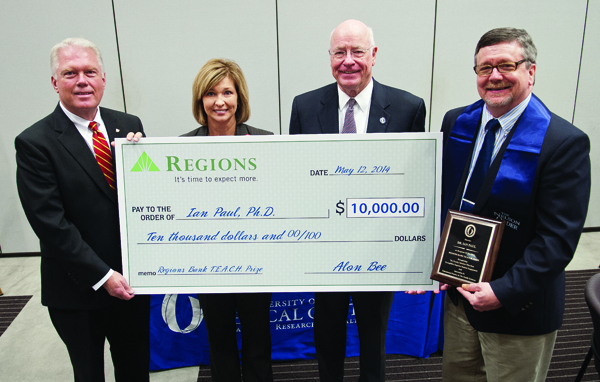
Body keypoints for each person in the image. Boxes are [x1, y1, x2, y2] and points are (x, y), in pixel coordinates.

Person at [439, 27, 591, 382]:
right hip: (461, 301)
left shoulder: (563, 143)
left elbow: (558, 241)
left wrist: (502, 292)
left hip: (517, 307)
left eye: (506, 65)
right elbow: (448, 201)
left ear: (531, 71)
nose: (494, 76)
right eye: (484, 68)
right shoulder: (458, 122)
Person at [289, 19, 426, 382]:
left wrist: (414, 249)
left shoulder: (408, 108)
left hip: (378, 245)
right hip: (325, 244)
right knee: (327, 330)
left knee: (373, 332)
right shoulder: (304, 107)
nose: (348, 61)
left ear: (374, 55)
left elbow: (416, 183)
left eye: (357, 52)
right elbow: (296, 176)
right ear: (330, 57)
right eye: (339, 52)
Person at [15, 38, 149, 381]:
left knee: (135, 369)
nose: (82, 81)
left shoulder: (127, 124)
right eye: (70, 73)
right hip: (78, 288)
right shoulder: (35, 142)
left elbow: (145, 199)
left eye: (90, 71)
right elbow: (50, 223)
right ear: (55, 82)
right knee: (88, 373)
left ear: (104, 78)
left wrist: (144, 162)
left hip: (132, 284)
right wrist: (104, 277)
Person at [182, 58, 274, 382]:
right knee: (219, 341)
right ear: (200, 101)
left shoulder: (266, 141)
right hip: (209, 262)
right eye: (210, 93)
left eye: (227, 92)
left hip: (255, 260)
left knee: (258, 341)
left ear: (239, 98)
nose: (219, 101)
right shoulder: (181, 148)